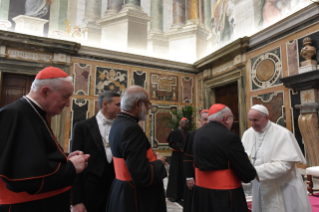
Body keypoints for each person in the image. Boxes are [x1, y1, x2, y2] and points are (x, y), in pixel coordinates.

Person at [0, 67, 89, 212]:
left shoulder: (34, 113)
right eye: (65, 97)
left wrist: (65, 159)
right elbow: (23, 177)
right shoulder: (13, 115)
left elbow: (35, 158)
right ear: (45, 91)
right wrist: (70, 167)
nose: (67, 104)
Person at [106, 85, 167, 212]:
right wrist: (159, 162)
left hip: (123, 189)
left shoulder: (119, 122)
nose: (150, 107)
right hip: (135, 196)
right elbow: (141, 175)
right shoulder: (131, 129)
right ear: (138, 104)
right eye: (148, 103)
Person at [242, 104, 312, 212]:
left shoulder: (283, 134)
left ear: (267, 118)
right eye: (250, 120)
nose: (252, 124)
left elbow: (284, 166)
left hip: (283, 187)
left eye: (256, 120)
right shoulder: (248, 134)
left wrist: (254, 171)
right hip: (260, 185)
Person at [192, 104, 256, 212]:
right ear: (226, 118)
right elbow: (247, 174)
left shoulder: (196, 134)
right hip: (224, 196)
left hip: (202, 193)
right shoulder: (229, 137)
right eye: (232, 118)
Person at [71, 91, 121, 212]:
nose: (121, 108)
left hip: (115, 189)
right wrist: (76, 201)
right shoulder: (82, 127)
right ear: (105, 104)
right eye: (118, 104)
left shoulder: (121, 127)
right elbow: (75, 165)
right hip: (91, 190)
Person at [183, 109, 209, 212]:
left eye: (209, 119)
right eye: (205, 119)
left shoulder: (215, 134)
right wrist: (189, 177)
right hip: (195, 174)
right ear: (200, 121)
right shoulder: (193, 135)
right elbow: (187, 158)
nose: (207, 122)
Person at [166, 117, 189, 202]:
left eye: (188, 124)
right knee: (175, 174)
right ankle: (173, 195)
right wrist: (179, 147)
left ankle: (182, 194)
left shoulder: (187, 134)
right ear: (181, 123)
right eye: (186, 124)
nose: (187, 126)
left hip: (183, 156)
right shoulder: (174, 132)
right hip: (176, 156)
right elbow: (171, 144)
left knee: (183, 174)